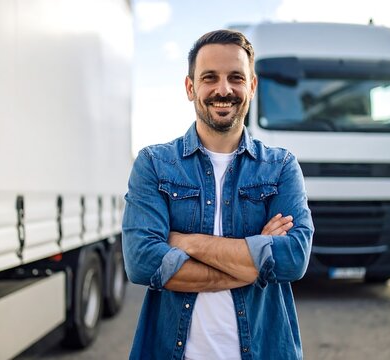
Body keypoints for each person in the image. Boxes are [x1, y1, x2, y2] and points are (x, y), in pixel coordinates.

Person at [122, 29, 314, 360]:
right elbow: (142, 261)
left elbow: (294, 258)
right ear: (190, 87)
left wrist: (186, 242)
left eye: (235, 77)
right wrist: (255, 263)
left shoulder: (281, 166)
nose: (223, 89)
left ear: (252, 87)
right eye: (210, 77)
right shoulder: (154, 164)